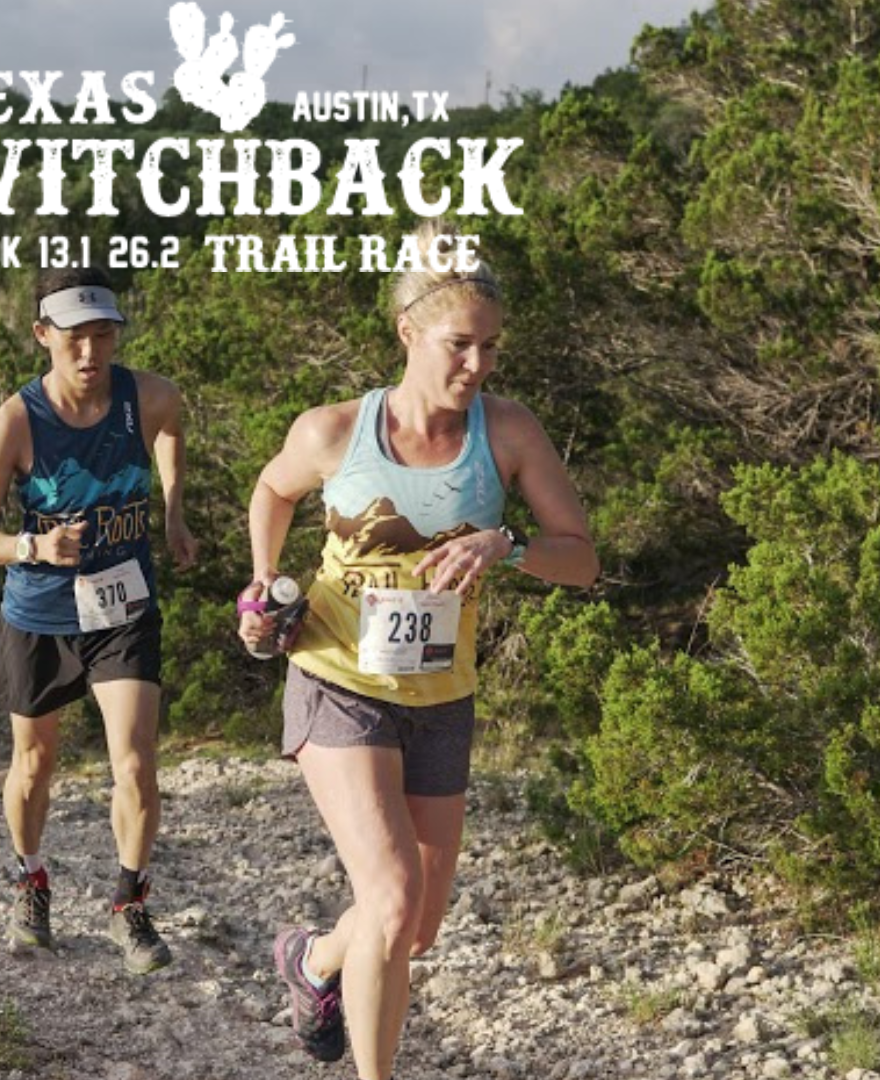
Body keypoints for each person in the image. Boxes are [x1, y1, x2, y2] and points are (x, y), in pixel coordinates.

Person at [238, 223, 600, 1080]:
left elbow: (581, 560)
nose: (478, 365)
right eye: (459, 344)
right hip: (337, 677)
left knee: (416, 927)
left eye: (491, 347)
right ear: (409, 332)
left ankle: (314, 960)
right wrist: (263, 581)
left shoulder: (507, 433)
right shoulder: (335, 431)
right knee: (393, 898)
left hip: (441, 695)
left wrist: (506, 546)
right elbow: (273, 489)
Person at [0, 267, 198, 975]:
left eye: (103, 336)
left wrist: (174, 511)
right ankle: (31, 880)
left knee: (136, 761)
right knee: (34, 764)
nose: (91, 353)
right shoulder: (14, 422)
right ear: (43, 335)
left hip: (123, 605)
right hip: (40, 611)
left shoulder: (147, 396)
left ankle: (130, 904)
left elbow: (171, 430)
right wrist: (32, 546)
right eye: (75, 339)